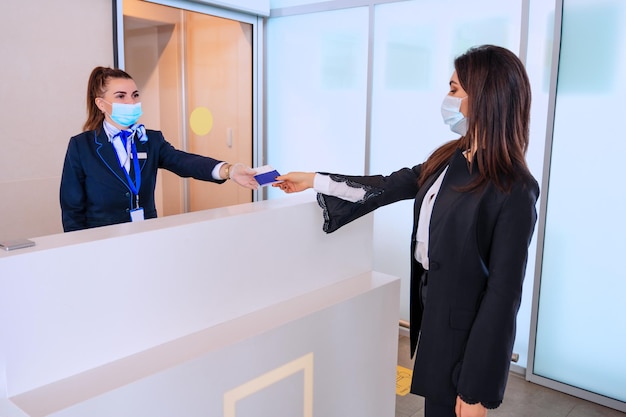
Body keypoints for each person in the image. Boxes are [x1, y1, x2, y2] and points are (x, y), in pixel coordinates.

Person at [274, 45, 539, 417]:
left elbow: (503, 296)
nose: (447, 99)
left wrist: (479, 388)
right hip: (434, 311)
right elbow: (387, 185)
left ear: (485, 98)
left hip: (468, 335)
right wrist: (313, 180)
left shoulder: (514, 188)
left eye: (454, 89)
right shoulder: (450, 158)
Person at [60, 66, 258, 232]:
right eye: (121, 96)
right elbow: (72, 209)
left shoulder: (150, 140)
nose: (131, 102)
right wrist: (81, 249)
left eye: (135, 95)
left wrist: (229, 170)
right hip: (102, 242)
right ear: (101, 104)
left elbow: (183, 161)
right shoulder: (81, 146)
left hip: (146, 235)